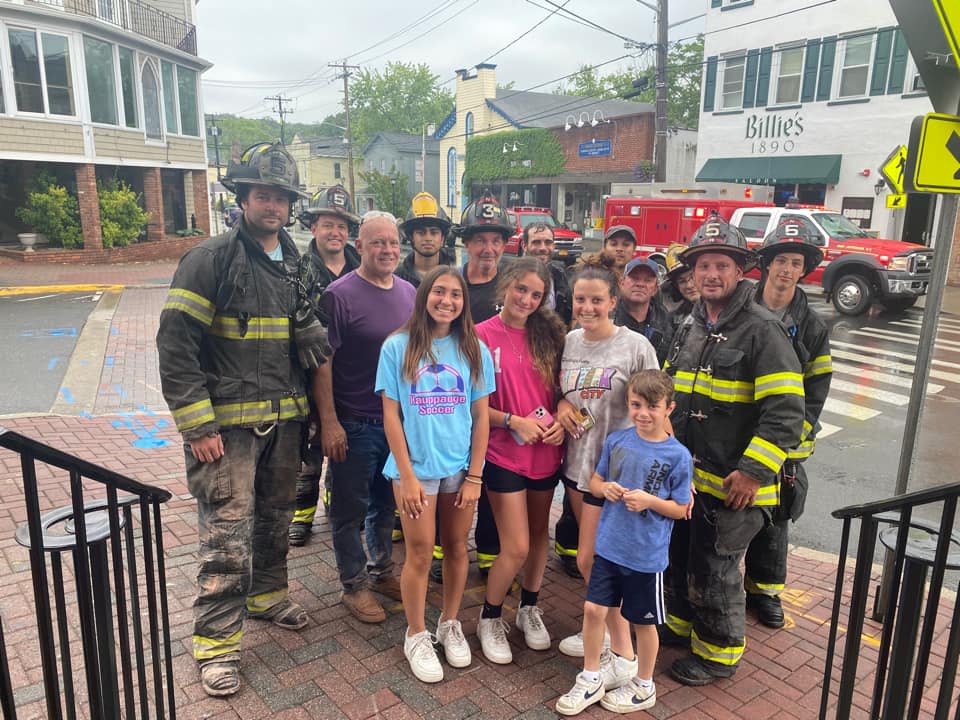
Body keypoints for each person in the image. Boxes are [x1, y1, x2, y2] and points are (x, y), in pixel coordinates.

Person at [157, 142, 329, 697]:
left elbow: (307, 343)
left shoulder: (295, 264)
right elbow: (176, 346)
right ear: (243, 197)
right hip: (225, 432)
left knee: (275, 519)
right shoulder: (210, 259)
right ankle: (216, 644)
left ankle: (266, 598)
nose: (272, 205)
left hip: (284, 423)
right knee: (226, 537)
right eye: (262, 194)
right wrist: (197, 426)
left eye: (280, 197)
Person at [660, 215, 804, 686]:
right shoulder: (690, 325)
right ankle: (680, 627)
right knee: (681, 557)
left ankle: (719, 655)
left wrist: (752, 473)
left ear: (741, 270)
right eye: (703, 266)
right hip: (688, 481)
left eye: (722, 265)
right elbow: (668, 393)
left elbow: (786, 413)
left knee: (715, 570)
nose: (711, 275)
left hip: (735, 485)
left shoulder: (763, 330)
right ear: (693, 273)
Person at [376, 266, 495, 682]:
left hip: (460, 469)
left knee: (458, 548)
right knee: (421, 553)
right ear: (425, 295)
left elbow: (481, 417)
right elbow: (391, 417)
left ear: (464, 302)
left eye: (456, 294)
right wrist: (406, 476)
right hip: (416, 470)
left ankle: (448, 622)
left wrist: (476, 475)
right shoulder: (398, 346)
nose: (447, 300)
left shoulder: (474, 349)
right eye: (439, 292)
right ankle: (416, 632)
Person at [556, 370, 692, 716]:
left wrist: (650, 501)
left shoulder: (678, 456)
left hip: (645, 556)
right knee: (593, 609)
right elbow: (597, 481)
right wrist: (606, 490)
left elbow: (679, 510)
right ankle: (590, 677)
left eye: (652, 406)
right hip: (610, 546)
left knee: (644, 623)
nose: (643, 413)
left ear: (669, 409)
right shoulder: (618, 441)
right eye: (636, 405)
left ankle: (644, 684)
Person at [555, 254, 659, 670]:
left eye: (596, 300)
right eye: (581, 300)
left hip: (619, 475)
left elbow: (655, 408)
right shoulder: (568, 342)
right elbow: (561, 394)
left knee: (601, 561)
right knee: (591, 559)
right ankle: (600, 628)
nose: (587, 309)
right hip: (579, 468)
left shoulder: (635, 346)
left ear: (613, 301)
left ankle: (620, 650)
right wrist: (563, 402)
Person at [315, 211, 416, 624]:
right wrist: (329, 422)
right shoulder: (339, 295)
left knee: (384, 506)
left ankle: (381, 572)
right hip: (354, 423)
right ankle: (353, 586)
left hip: (396, 423)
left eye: (392, 242)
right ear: (360, 246)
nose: (387, 250)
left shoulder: (410, 292)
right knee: (348, 511)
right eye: (378, 243)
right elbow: (322, 363)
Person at [474, 258, 568, 664]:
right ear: (505, 287)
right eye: (520, 289)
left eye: (535, 293)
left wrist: (564, 417)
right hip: (501, 453)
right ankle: (489, 616)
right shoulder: (478, 337)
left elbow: (565, 391)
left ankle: (530, 607)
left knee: (538, 538)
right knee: (514, 546)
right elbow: (470, 408)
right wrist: (511, 420)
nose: (526, 299)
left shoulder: (551, 335)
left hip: (546, 452)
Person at [744, 218, 832, 629]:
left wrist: (801, 431)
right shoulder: (741, 306)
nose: (786, 269)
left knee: (775, 519)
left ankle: (765, 590)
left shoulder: (812, 326)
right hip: (736, 429)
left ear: (803, 269)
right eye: (780, 260)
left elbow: (816, 387)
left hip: (782, 440)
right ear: (767, 264)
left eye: (795, 262)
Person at [289, 184, 362, 547]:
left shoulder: (361, 268)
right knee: (310, 450)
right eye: (328, 224)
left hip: (352, 377)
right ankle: (301, 515)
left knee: (344, 448)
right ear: (313, 226)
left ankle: (336, 506)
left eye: (342, 226)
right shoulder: (299, 270)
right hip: (308, 374)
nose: (335, 232)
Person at [456, 195, 514, 576]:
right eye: (480, 239)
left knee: (493, 477)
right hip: (454, 399)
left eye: (496, 240)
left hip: (499, 400)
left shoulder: (511, 285)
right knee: (455, 480)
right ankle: (450, 551)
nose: (488, 248)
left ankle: (491, 554)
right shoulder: (451, 284)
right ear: (467, 242)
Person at [614, 257, 672, 365]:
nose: (640, 284)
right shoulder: (606, 315)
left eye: (648, 280)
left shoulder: (667, 321)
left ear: (655, 289)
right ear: (622, 283)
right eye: (634, 278)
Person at [395, 192, 457, 288]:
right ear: (411, 237)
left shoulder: (455, 276)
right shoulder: (397, 279)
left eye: (434, 232)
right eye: (421, 232)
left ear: (442, 238)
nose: (428, 238)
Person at [521, 222, 573, 326]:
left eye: (548, 242)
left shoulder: (560, 275)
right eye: (536, 242)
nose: (543, 248)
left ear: (553, 245)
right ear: (524, 245)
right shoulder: (513, 277)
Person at [660, 243, 699, 335]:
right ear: (677, 287)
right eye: (682, 281)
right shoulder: (672, 321)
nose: (689, 285)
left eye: (692, 277)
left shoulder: (727, 312)